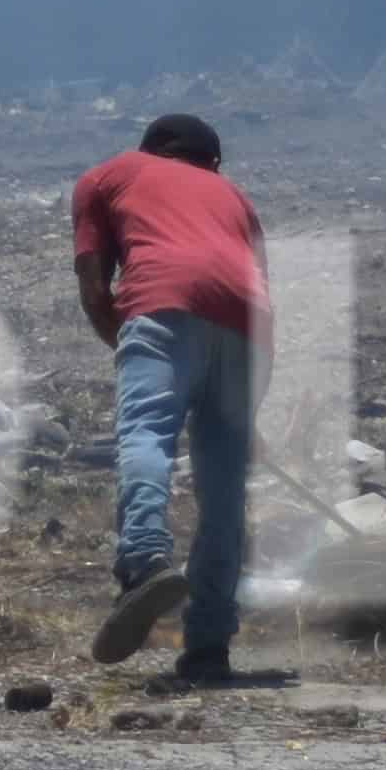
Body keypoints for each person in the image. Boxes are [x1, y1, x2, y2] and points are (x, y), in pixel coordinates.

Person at [71, 111, 273, 681]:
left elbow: (93, 287)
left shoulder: (107, 177)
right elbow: (260, 287)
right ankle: (209, 645)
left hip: (162, 304)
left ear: (151, 149)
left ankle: (143, 562)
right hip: (248, 329)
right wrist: (250, 410)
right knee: (224, 486)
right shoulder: (234, 196)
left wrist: (134, 345)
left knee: (146, 434)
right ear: (210, 163)